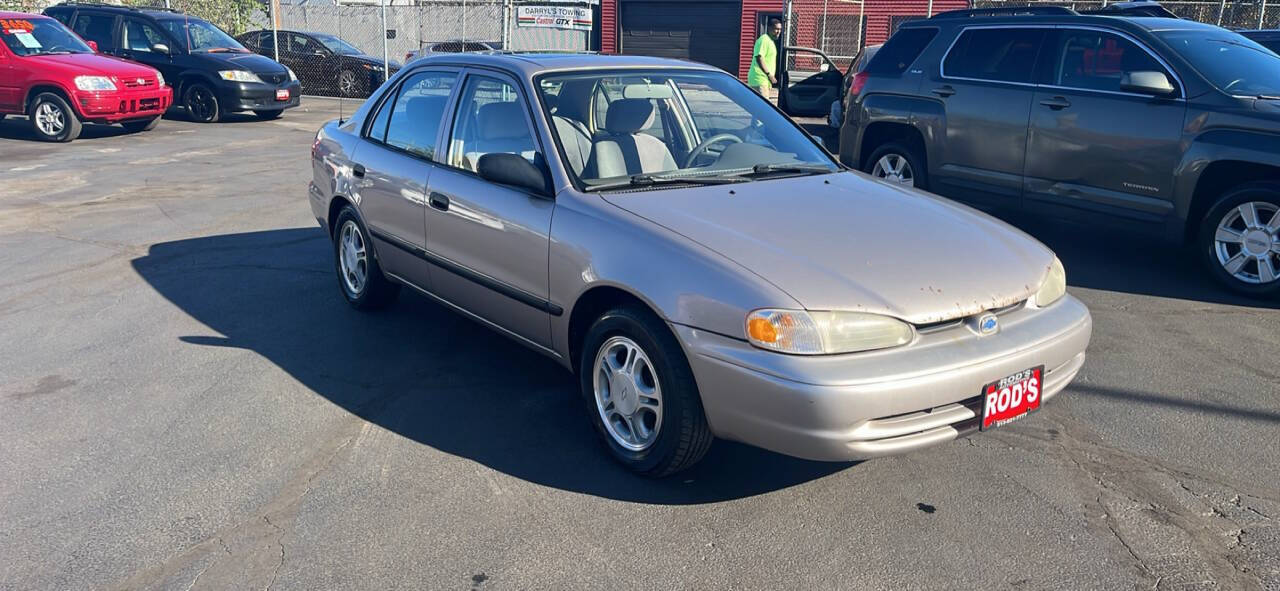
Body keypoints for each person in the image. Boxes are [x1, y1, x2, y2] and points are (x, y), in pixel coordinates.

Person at [747, 19, 782, 102]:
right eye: (776, 29)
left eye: (780, 29)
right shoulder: (764, 39)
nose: (778, 32)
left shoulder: (771, 42)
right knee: (763, 108)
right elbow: (759, 57)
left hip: (764, 81)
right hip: (759, 79)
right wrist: (769, 75)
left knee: (759, 107)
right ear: (769, 28)